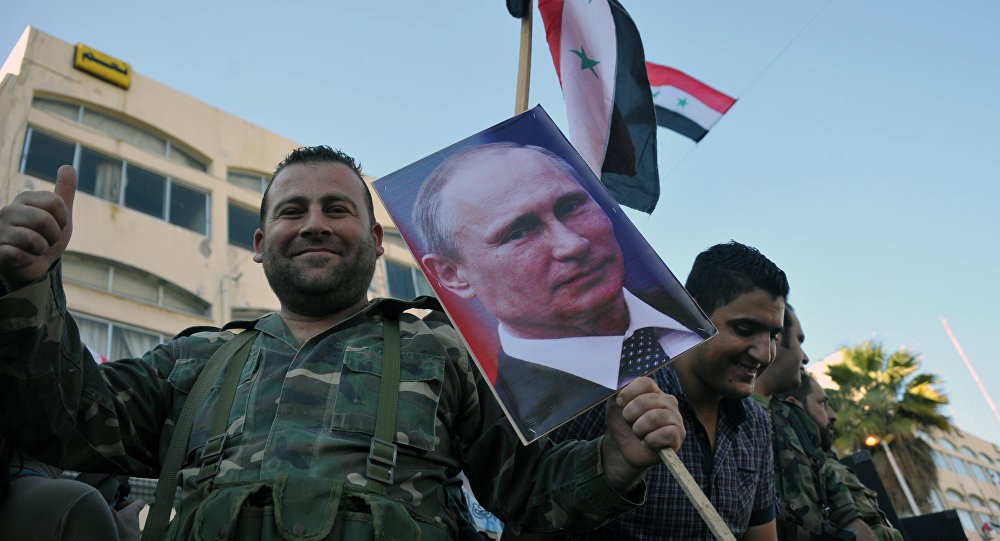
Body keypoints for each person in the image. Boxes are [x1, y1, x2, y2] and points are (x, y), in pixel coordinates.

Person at [0, 146, 686, 540]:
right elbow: (68, 423)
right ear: (262, 243)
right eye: (293, 210)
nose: (316, 224)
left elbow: (527, 493)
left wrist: (612, 461)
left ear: (376, 239)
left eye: (338, 209)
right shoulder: (196, 360)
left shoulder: (447, 352)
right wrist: (30, 283)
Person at [414, 142, 707, 438]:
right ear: (452, 275)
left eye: (570, 206)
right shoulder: (496, 423)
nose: (573, 244)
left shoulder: (698, 322)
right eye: (518, 232)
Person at [546, 241, 785, 540]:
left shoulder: (756, 424)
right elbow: (537, 519)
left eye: (774, 335)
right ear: (692, 313)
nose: (764, 354)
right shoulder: (618, 398)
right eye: (745, 330)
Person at [761, 309, 877, 541]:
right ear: (773, 339)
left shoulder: (798, 425)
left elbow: (849, 517)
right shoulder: (729, 411)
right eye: (798, 341)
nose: (804, 358)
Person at [785, 373, 904, 541]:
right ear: (794, 406)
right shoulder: (796, 469)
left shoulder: (828, 465)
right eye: (823, 404)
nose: (833, 415)